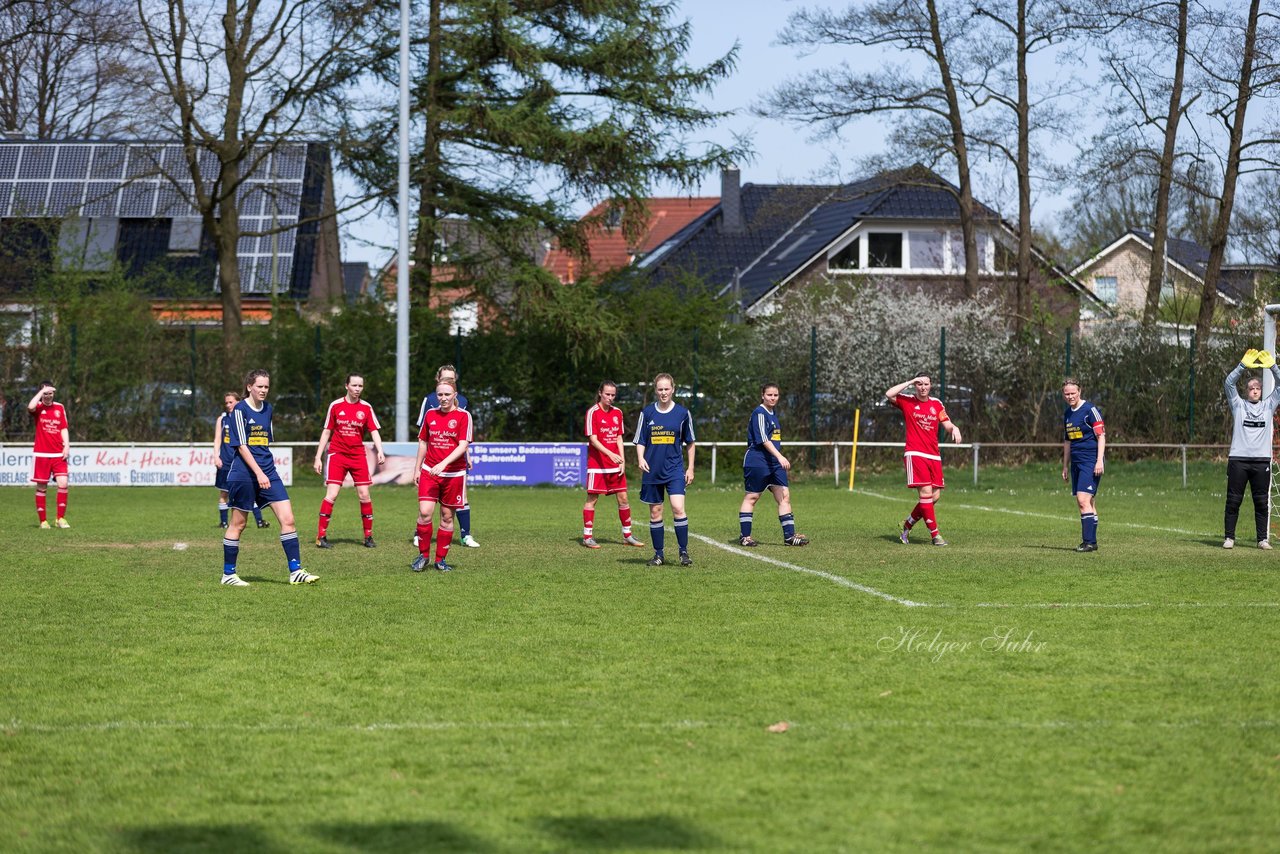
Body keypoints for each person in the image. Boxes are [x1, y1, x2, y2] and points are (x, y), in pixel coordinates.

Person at [220, 369, 318, 586]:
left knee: (288, 519)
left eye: (266, 387)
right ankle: (228, 574)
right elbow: (242, 446)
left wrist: (266, 471)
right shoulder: (239, 410)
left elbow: (264, 442)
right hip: (244, 473)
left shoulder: (268, 409)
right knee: (239, 523)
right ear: (249, 387)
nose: (263, 390)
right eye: (259, 386)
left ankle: (295, 571)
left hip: (268, 471)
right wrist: (258, 472)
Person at [885, 373, 962, 546]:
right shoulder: (907, 401)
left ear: (930, 385)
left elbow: (946, 422)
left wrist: (954, 428)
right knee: (926, 494)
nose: (923, 387)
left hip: (933, 455)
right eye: (919, 384)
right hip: (915, 453)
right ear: (916, 386)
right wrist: (910, 381)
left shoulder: (936, 403)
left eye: (926, 384)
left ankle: (907, 525)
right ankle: (935, 536)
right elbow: (889, 394)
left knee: (934, 496)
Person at [313, 374, 386, 549]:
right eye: (354, 385)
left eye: (360, 386)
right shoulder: (336, 406)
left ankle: (368, 537)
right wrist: (317, 456)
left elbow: (374, 430)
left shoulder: (366, 408)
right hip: (337, 454)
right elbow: (326, 431)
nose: (357, 389)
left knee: (364, 495)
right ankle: (321, 536)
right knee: (332, 494)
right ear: (346, 386)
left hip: (358, 456)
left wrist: (380, 451)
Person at [633, 372, 696, 567]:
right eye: (660, 389)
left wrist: (691, 468)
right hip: (652, 470)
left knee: (678, 507)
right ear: (655, 390)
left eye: (666, 389)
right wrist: (640, 458)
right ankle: (658, 554)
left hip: (675, 470)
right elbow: (640, 440)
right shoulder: (647, 413)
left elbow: (690, 442)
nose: (663, 393)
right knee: (656, 513)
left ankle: (683, 552)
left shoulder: (682, 414)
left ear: (673, 389)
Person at [738, 383, 809, 547]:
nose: (772, 398)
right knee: (752, 497)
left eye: (775, 395)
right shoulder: (759, 413)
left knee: (784, 496)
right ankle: (745, 537)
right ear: (762, 395)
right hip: (758, 461)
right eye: (769, 395)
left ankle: (789, 537)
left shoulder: (773, 414)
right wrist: (780, 456)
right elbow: (763, 440)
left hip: (774, 463)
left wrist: (777, 458)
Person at [416, 364, 479, 548]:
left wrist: (467, 454)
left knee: (461, 498)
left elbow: (462, 437)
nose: (448, 382)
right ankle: (418, 534)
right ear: (438, 379)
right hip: (433, 463)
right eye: (445, 378)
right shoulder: (429, 401)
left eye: (452, 379)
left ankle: (465, 534)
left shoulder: (463, 402)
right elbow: (424, 437)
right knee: (426, 505)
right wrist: (419, 466)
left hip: (454, 464)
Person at [1222, 349, 1280, 549]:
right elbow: (1228, 383)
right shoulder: (1238, 405)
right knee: (1233, 501)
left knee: (1262, 503)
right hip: (1238, 460)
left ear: (1261, 391)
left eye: (1258, 388)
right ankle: (1229, 538)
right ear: (1246, 391)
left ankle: (1262, 539)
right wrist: (1242, 366)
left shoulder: (1268, 406)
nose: (1255, 390)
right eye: (1251, 388)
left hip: (1261, 461)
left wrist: (1273, 367)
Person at [412, 381, 472, 572]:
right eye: (440, 395)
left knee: (447, 517)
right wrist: (417, 469)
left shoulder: (464, 416)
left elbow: (463, 445)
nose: (443, 398)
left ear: (455, 395)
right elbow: (423, 442)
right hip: (430, 471)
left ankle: (440, 560)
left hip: (454, 474)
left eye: (447, 394)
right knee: (424, 512)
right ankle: (423, 556)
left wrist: (444, 463)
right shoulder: (430, 414)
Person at [581, 380, 645, 549]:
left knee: (623, 498)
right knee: (592, 499)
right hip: (597, 465)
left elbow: (618, 437)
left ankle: (628, 535)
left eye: (613, 395)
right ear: (600, 393)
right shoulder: (592, 412)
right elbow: (593, 440)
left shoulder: (617, 412)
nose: (610, 398)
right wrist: (610, 454)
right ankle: (587, 537)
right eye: (607, 394)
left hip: (615, 464)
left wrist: (621, 460)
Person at [1061, 378, 1105, 553]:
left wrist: (1099, 460)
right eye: (1067, 393)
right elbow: (1067, 441)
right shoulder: (1067, 414)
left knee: (1083, 500)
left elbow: (1101, 436)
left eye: (1073, 393)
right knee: (1089, 502)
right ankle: (1092, 542)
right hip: (1076, 463)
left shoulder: (1090, 410)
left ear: (1080, 391)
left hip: (1090, 461)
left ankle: (1088, 542)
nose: (1070, 396)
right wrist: (1065, 465)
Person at [213, 391, 268, 530]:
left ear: (238, 402)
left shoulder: (243, 416)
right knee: (224, 493)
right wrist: (215, 456)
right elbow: (217, 439)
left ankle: (259, 520)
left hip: (241, 461)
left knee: (250, 491)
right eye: (226, 403)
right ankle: (224, 521)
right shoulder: (222, 419)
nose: (228, 405)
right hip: (226, 461)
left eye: (231, 402)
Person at [28, 381, 70, 529]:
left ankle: (60, 518)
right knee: (42, 487)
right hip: (42, 453)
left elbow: (63, 428)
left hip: (58, 453)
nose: (47, 396)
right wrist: (41, 392)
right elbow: (30, 406)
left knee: (63, 483)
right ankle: (43, 521)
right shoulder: (38, 407)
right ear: (41, 394)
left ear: (54, 393)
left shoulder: (59, 407)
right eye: (45, 393)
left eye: (50, 393)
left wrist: (67, 445)